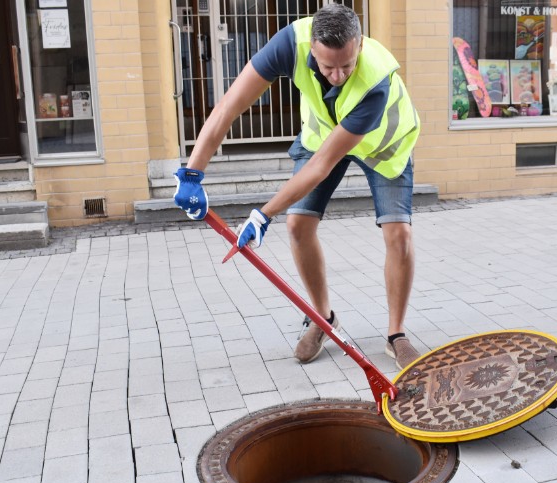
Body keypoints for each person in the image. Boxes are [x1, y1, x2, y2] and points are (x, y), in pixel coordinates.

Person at [173, 4, 423, 369]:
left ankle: (396, 333)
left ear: (360, 47)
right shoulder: (288, 44)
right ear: (311, 50)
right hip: (322, 134)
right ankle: (324, 319)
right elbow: (228, 107)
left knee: (398, 234)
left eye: (347, 65)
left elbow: (321, 166)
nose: (338, 75)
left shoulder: (375, 82)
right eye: (327, 67)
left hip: (385, 147)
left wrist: (262, 214)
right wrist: (192, 172)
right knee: (298, 224)